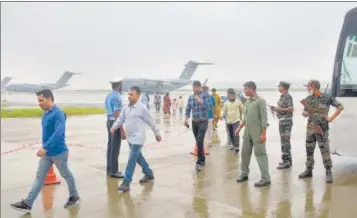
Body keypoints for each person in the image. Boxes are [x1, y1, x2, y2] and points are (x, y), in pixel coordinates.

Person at [11, 89, 80, 213]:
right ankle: (28, 203)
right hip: (47, 154)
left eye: (41, 100)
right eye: (38, 101)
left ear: (49, 99)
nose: (39, 103)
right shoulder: (45, 113)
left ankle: (74, 196)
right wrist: (45, 149)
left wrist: (45, 147)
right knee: (40, 177)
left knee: (66, 174)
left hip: (59, 152)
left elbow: (59, 133)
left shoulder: (59, 113)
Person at [110, 86, 161, 192]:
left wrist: (157, 133)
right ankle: (149, 173)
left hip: (138, 139)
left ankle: (126, 183)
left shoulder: (142, 108)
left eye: (131, 94)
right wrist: (114, 127)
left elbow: (150, 121)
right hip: (130, 138)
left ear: (137, 96)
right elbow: (120, 119)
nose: (129, 96)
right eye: (128, 94)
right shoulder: (126, 108)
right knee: (138, 158)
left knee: (131, 159)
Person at [298, 80, 344, 183]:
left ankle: (328, 172)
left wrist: (331, 118)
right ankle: (308, 170)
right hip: (310, 128)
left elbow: (340, 107)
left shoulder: (326, 97)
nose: (307, 89)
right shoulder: (308, 99)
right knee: (309, 150)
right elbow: (305, 111)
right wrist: (305, 113)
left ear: (314, 87)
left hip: (322, 128)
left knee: (325, 150)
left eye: (308, 87)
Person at [235, 81, 271, 187]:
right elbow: (245, 119)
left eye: (246, 89)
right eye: (244, 89)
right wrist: (239, 128)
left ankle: (265, 178)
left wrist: (263, 134)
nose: (245, 91)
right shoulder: (247, 102)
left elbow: (264, 119)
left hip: (258, 132)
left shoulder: (260, 101)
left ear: (252, 89)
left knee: (260, 154)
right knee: (245, 153)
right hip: (247, 133)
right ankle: (244, 174)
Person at [184, 81, 210, 171]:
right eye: (193, 87)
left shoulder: (205, 95)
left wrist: (201, 101)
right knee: (198, 141)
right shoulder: (191, 97)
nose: (194, 89)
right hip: (194, 122)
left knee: (199, 139)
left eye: (196, 87)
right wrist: (186, 119)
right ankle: (202, 157)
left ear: (199, 87)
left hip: (203, 121)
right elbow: (188, 109)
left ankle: (200, 162)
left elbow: (208, 107)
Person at [104, 77, 126, 178]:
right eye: (121, 85)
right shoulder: (116, 97)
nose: (122, 86)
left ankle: (109, 169)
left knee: (110, 147)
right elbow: (117, 113)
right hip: (115, 122)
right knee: (115, 147)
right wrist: (121, 129)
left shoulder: (108, 96)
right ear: (118, 85)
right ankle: (114, 171)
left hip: (109, 121)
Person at [270, 81, 294, 169]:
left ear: (283, 87)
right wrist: (276, 109)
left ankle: (287, 162)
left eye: (279, 86)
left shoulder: (287, 96)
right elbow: (282, 109)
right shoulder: (283, 97)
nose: (278, 87)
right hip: (282, 121)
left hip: (286, 122)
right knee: (284, 141)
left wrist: (278, 108)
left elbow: (291, 109)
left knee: (285, 141)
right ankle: (287, 160)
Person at [222, 88, 244, 154]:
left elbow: (243, 109)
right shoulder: (226, 103)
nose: (232, 97)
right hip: (228, 121)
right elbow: (224, 111)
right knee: (231, 134)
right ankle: (233, 145)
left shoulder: (238, 102)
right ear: (228, 96)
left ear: (235, 95)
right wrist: (222, 115)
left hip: (236, 120)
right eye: (230, 96)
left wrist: (244, 117)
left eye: (233, 95)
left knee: (236, 133)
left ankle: (237, 146)